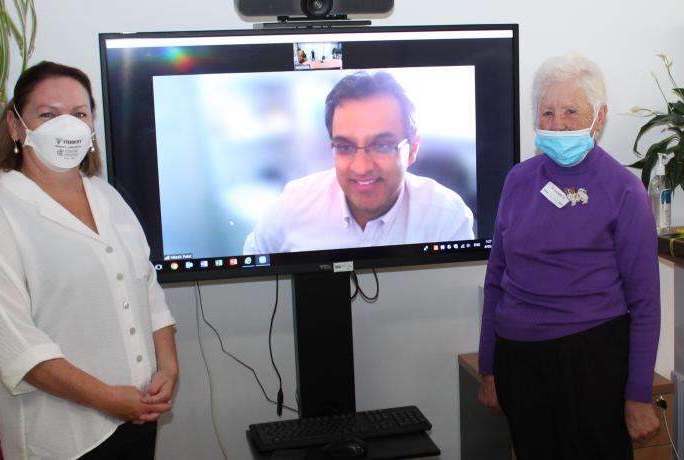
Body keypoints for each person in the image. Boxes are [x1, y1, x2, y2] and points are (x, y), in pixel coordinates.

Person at [0, 61, 178, 460]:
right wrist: (108, 399)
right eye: (48, 114)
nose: (67, 126)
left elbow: (147, 290)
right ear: (17, 126)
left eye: (78, 114)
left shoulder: (108, 198)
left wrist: (168, 370)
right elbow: (17, 347)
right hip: (65, 438)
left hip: (138, 417)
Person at [477, 53, 661, 459]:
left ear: (599, 117)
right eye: (547, 112)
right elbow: (495, 281)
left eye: (571, 111)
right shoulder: (517, 180)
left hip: (592, 364)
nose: (557, 123)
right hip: (519, 362)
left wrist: (639, 394)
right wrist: (489, 368)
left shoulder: (625, 190)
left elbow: (645, 303)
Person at [243, 71, 474, 254]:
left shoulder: (445, 214)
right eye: (345, 147)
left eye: (382, 145)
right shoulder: (294, 203)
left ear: (412, 149)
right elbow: (251, 265)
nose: (361, 168)